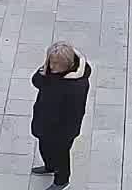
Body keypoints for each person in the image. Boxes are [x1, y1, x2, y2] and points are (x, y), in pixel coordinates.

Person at [29, 41, 92, 189]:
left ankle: (62, 181)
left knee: (61, 154)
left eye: (56, 64)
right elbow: (36, 81)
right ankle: (50, 166)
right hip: (45, 121)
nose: (52, 67)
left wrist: (49, 81)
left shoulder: (75, 85)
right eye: (51, 62)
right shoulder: (51, 72)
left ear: (67, 64)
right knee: (44, 147)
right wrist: (45, 73)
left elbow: (73, 112)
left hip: (62, 129)